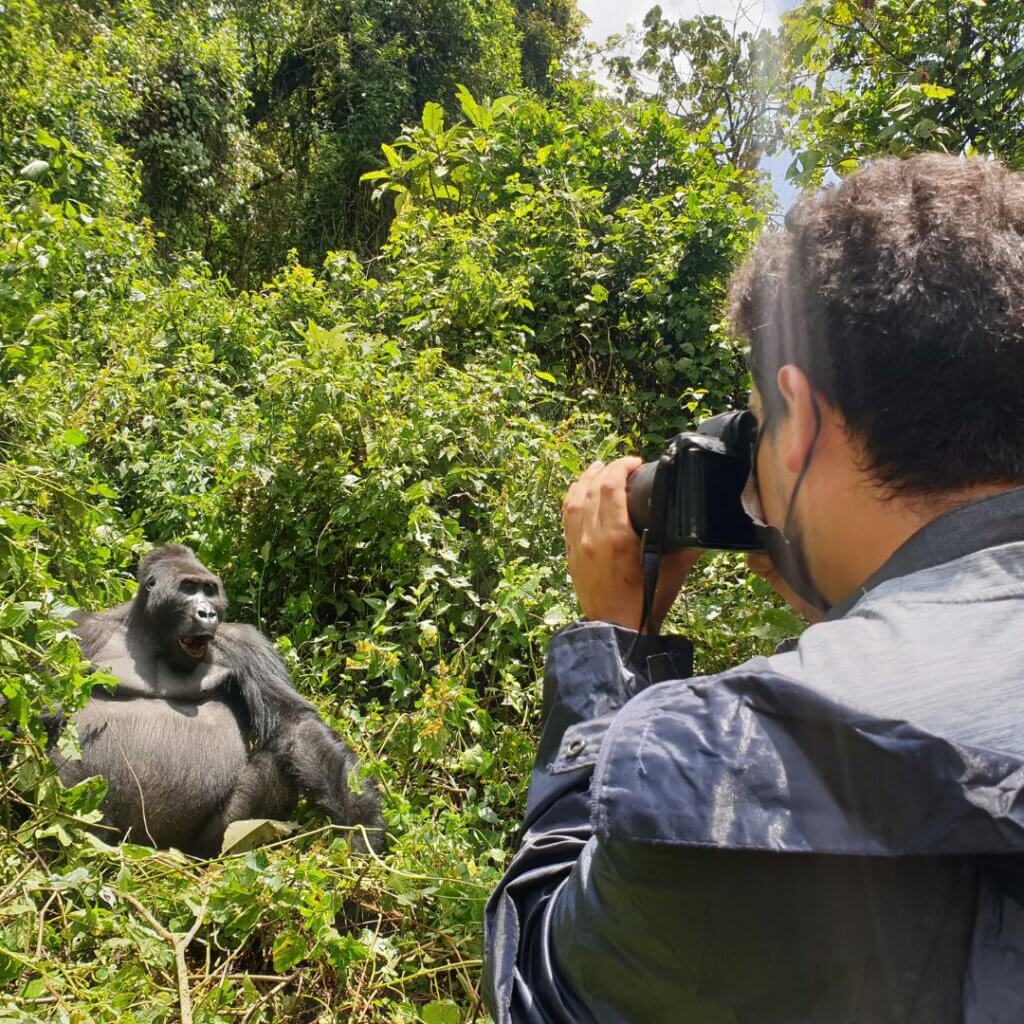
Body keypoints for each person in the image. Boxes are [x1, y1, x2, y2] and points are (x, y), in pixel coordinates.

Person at [482, 152, 1024, 1024]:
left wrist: (612, 655)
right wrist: (856, 608)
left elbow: (544, 987)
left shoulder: (726, 757)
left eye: (762, 429)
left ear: (800, 419)